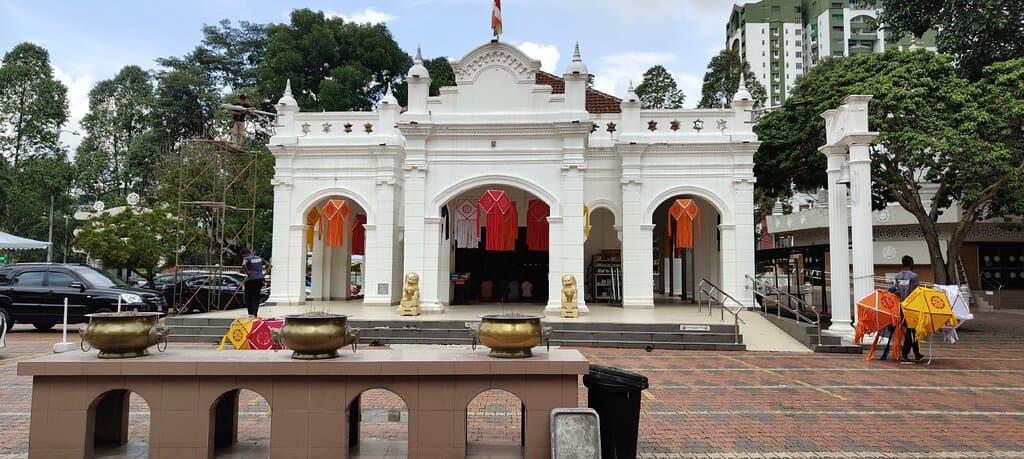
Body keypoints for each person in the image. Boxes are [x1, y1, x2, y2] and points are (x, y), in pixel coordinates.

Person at [894, 255, 923, 364]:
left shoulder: (897, 276)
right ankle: (904, 354)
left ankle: (917, 353)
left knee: (912, 330)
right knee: (912, 331)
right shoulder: (914, 276)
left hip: (901, 306)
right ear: (911, 263)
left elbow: (897, 291)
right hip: (912, 307)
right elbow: (915, 292)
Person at [241, 247, 270, 317]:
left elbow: (243, 264)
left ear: (244, 254)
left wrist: (247, 272)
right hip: (260, 279)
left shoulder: (247, 258)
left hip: (251, 279)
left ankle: (250, 313)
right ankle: (255, 313)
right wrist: (264, 274)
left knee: (248, 297)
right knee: (256, 296)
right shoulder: (259, 258)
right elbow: (270, 265)